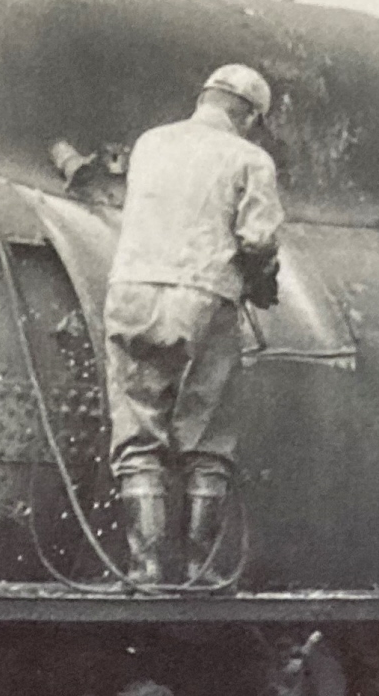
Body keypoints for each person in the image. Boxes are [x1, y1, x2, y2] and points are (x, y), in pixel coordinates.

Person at [100, 63, 284, 584]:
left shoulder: (151, 143)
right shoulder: (250, 158)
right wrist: (262, 282)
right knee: (206, 433)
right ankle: (201, 567)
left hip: (131, 291)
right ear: (248, 114)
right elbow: (259, 240)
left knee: (138, 429)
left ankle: (147, 564)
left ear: (205, 97)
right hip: (203, 294)